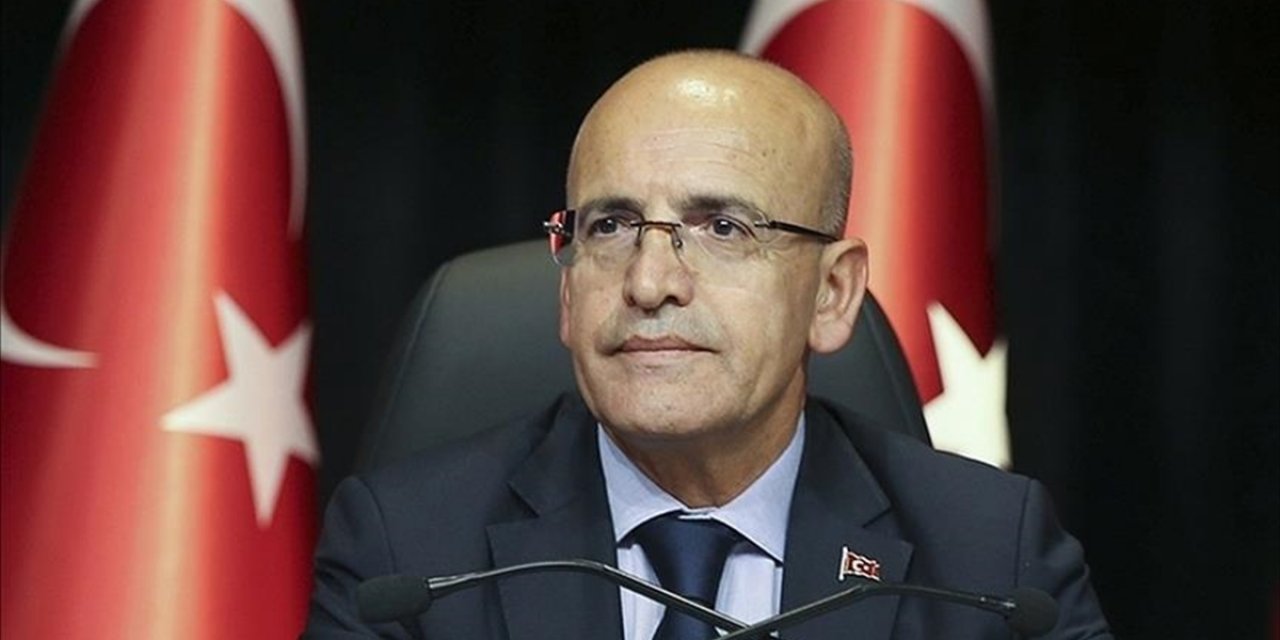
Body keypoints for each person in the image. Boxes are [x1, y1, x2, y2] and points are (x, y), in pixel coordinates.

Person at [304, 50, 1113, 639]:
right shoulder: (409, 554)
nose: (650, 281)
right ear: (567, 288)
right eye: (610, 226)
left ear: (832, 294)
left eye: (723, 228)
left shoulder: (990, 560)